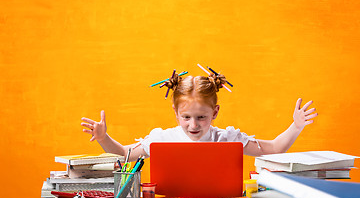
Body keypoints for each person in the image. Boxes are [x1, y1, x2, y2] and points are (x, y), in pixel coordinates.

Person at [81, 72, 318, 162]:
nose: (193, 125)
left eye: (201, 117)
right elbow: (124, 154)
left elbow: (274, 149)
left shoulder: (227, 138)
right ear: (176, 114)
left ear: (215, 113)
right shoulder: (162, 139)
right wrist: (103, 138)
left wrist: (296, 126)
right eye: (186, 117)